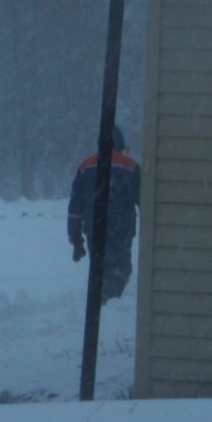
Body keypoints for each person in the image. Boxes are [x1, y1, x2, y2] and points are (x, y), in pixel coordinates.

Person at [67, 124, 140, 302]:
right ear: (121, 144)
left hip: (94, 227)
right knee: (121, 268)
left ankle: (99, 303)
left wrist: (76, 240)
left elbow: (75, 208)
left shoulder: (86, 166)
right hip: (122, 228)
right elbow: (144, 200)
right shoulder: (131, 166)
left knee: (100, 268)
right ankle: (107, 300)